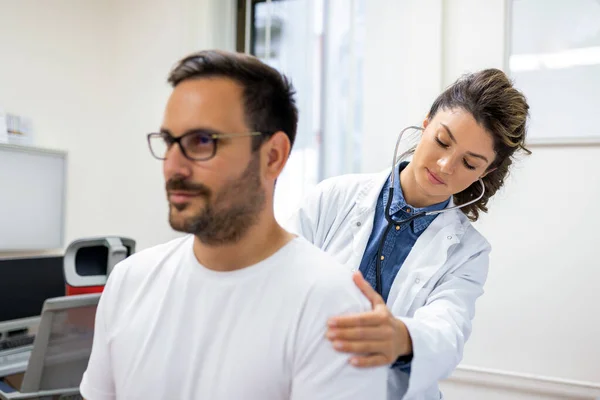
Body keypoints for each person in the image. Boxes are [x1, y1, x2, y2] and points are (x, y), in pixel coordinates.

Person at [79, 50, 387, 400]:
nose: (173, 166)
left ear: (272, 156)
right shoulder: (129, 282)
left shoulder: (335, 309)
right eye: (169, 142)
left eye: (202, 141)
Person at [285, 68, 531, 399]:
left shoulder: (468, 252)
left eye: (469, 164)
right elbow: (279, 278)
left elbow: (448, 331)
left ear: (485, 172)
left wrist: (400, 337)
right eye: (442, 141)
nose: (445, 165)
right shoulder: (333, 197)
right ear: (426, 124)